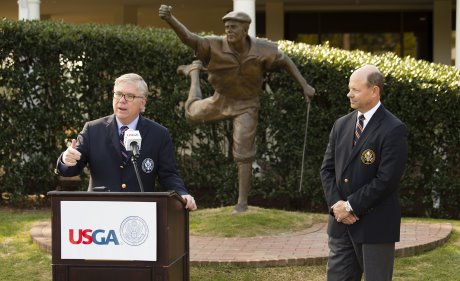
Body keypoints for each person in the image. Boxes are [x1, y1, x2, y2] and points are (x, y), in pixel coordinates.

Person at [159, 5, 315, 214]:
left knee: (243, 153)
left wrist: (304, 85)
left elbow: (285, 60)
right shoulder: (213, 45)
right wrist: (170, 18)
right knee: (191, 113)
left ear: (245, 30)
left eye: (233, 27)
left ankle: (242, 203)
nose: (229, 31)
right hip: (220, 100)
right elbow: (189, 38)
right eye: (227, 27)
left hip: (247, 105)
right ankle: (194, 73)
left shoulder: (262, 49)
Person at [55, 73, 197, 211]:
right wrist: (66, 160)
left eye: (130, 96)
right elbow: (71, 168)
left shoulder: (159, 134)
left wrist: (182, 193)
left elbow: (169, 175)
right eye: (118, 94)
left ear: (142, 102)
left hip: (140, 213)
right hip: (100, 212)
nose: (122, 100)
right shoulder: (92, 130)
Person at [320, 65, 408, 280]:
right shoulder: (341, 125)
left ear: (374, 91)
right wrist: (337, 207)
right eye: (349, 89)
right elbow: (327, 170)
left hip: (375, 227)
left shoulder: (393, 129)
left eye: (355, 90)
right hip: (341, 225)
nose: (349, 94)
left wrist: (350, 206)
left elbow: (386, 180)